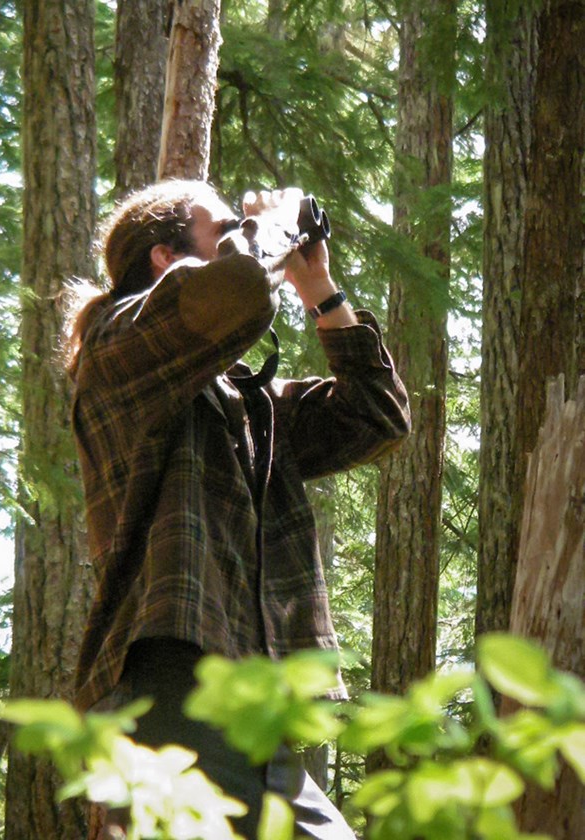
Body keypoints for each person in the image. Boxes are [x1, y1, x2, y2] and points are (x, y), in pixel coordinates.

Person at [66, 179, 410, 839]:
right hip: (170, 675)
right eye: (223, 229)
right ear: (167, 259)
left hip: (247, 694)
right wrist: (277, 223)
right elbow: (232, 290)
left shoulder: (245, 403)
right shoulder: (116, 350)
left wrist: (319, 290)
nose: (244, 237)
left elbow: (377, 419)